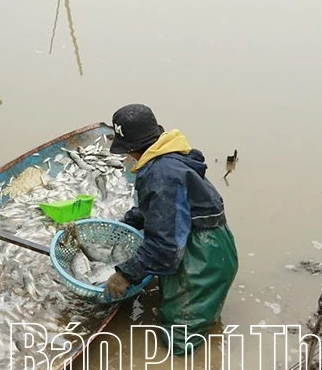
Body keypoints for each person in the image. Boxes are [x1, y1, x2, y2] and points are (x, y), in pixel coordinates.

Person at [101, 103, 239, 355]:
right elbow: (160, 209)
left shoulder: (161, 175)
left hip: (204, 255)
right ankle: (207, 320)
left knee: (179, 341)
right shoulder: (168, 156)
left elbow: (164, 245)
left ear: (132, 148)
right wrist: (126, 222)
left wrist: (125, 274)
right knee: (190, 305)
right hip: (213, 240)